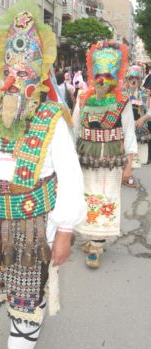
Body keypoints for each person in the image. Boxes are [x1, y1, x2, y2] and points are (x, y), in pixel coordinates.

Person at [0, 2, 86, 349]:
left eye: (23, 72)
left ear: (39, 75)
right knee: (6, 279)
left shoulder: (51, 121)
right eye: (9, 71)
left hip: (34, 224)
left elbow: (71, 178)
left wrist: (64, 232)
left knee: (29, 285)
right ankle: (20, 336)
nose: (14, 80)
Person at [73, 40, 137, 269]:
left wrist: (129, 165)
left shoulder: (123, 101)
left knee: (106, 198)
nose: (102, 81)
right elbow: (75, 129)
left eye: (107, 76)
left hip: (112, 161)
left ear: (115, 75)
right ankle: (90, 238)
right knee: (86, 197)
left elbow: (129, 132)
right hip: (86, 158)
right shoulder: (82, 98)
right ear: (93, 74)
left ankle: (97, 245)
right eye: (98, 75)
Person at [123, 65, 149, 186]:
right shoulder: (122, 94)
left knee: (137, 156)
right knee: (126, 153)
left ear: (139, 79)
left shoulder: (145, 93)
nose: (133, 81)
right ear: (127, 79)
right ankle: (126, 176)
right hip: (125, 130)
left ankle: (128, 175)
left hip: (139, 129)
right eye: (131, 78)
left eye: (136, 78)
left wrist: (143, 118)